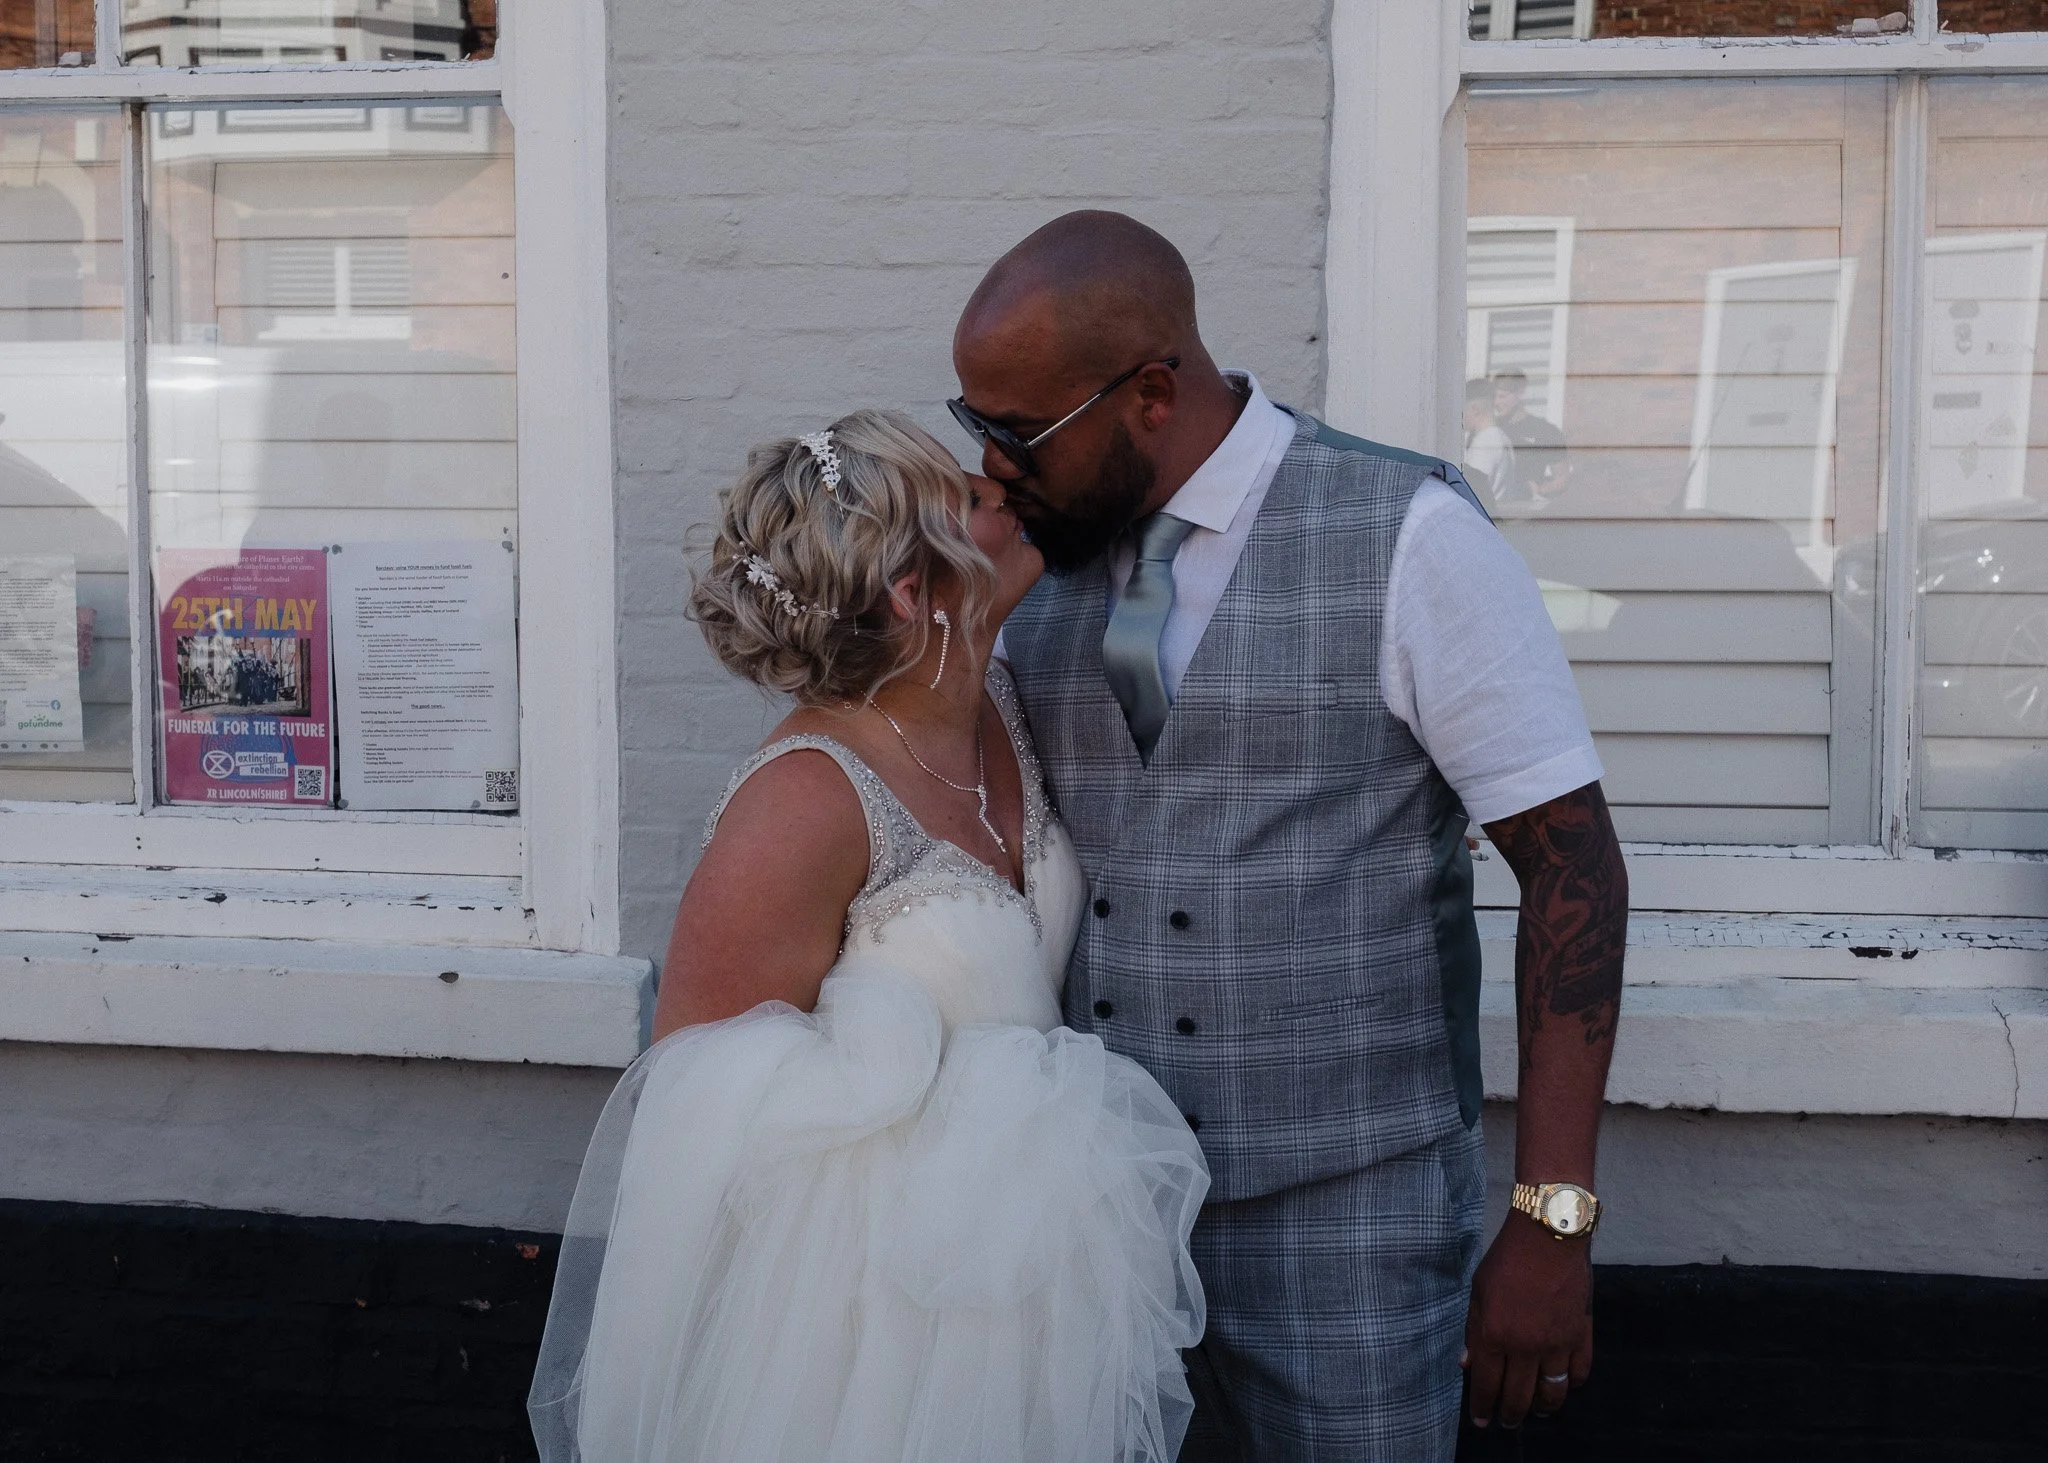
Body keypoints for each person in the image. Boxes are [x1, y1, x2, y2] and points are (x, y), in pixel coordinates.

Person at [949, 212, 1628, 1460]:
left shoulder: (1408, 532)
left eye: (1018, 432)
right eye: (973, 422)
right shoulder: (1029, 566)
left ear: (1151, 394)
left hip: (1351, 1211)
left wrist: (1552, 1214)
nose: (990, 466)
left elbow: (1570, 867)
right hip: (1091, 1202)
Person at [527, 409, 1210, 1462]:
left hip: (1025, 1284)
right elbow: (697, 1115)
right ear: (908, 589)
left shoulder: (1005, 703)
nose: (1003, 487)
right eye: (972, 499)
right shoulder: (802, 802)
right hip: (867, 1337)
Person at [1491, 368, 1569, 504]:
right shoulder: (1490, 429)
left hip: (1525, 511)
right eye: (1494, 397)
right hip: (1491, 508)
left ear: (1521, 394)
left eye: (1502, 396)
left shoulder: (1545, 431)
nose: (1496, 403)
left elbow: (1562, 479)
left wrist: (1539, 490)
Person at [1461, 377, 1518, 505]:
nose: (1461, 416)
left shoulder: (1486, 442)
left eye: (1462, 409)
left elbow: (1473, 491)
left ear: (1475, 409)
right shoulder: (1500, 437)